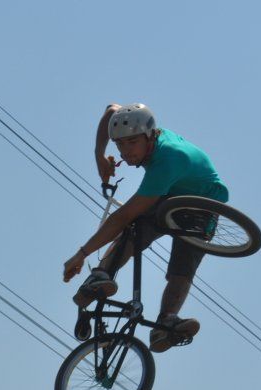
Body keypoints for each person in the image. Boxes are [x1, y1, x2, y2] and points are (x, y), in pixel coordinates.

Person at [62, 103, 229, 353]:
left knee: (182, 263)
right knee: (137, 228)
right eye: (120, 144)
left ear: (149, 136)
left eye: (132, 143)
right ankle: (100, 277)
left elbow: (121, 217)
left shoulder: (168, 160)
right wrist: (99, 155)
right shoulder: (130, 121)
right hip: (173, 191)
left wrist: (82, 253)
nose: (125, 151)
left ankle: (166, 322)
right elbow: (111, 110)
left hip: (203, 202)